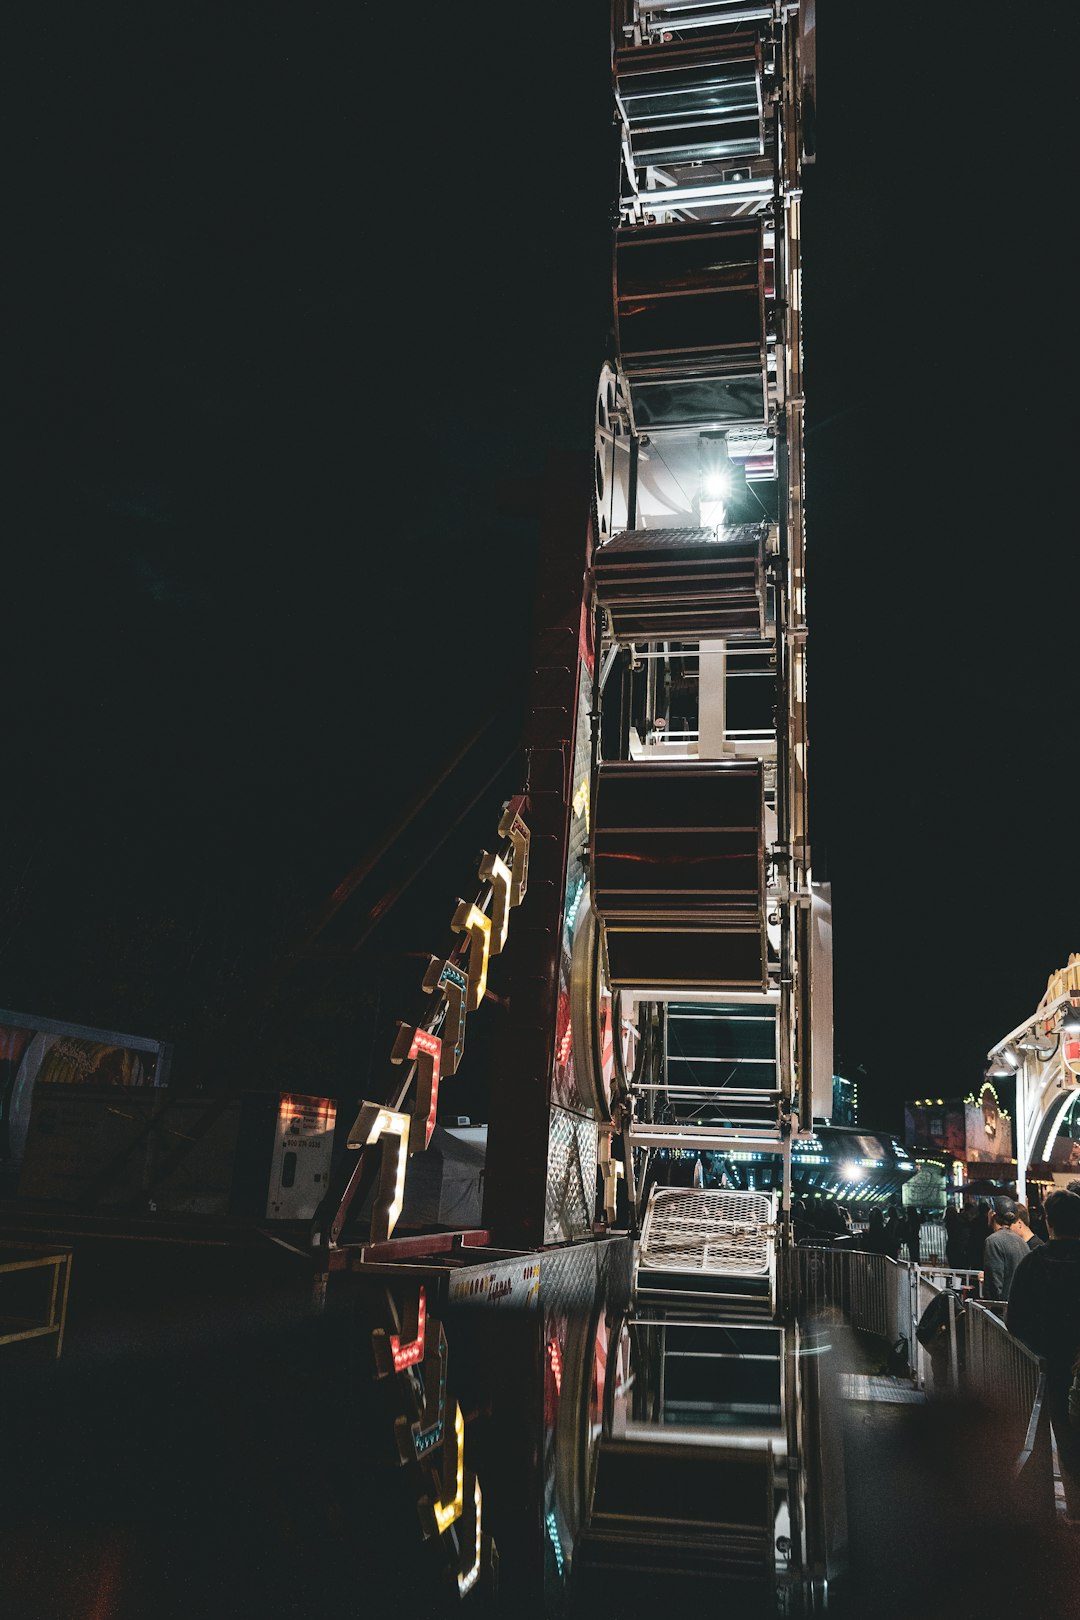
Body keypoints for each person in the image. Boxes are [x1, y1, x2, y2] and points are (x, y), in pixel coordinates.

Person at [1007, 1189, 1080, 1522]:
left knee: (1066, 1438)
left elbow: (1015, 1321)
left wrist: (1043, 1348)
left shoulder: (1034, 1263)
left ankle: (1076, 1510)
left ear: (1047, 1222)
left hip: (1055, 1366)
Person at [981, 1201, 1029, 1302]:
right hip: (1019, 1305)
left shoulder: (993, 1241)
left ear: (993, 1214)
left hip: (1002, 1310)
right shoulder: (1021, 1241)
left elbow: (994, 1284)